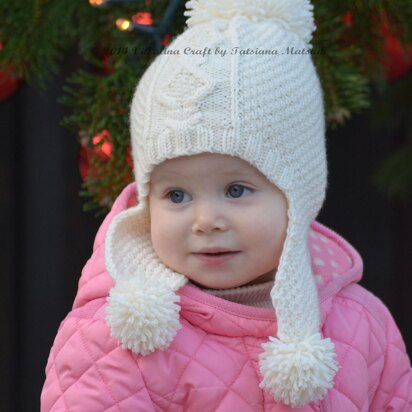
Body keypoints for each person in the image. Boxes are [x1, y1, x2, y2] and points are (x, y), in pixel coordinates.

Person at [41, 0, 412, 410]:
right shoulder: (118, 335)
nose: (207, 221)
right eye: (176, 195)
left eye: (236, 190)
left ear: (298, 196)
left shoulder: (360, 326)